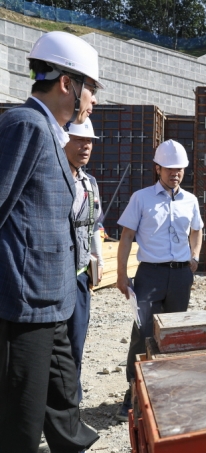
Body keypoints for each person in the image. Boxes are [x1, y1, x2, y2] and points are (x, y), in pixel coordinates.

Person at [0, 31, 102, 452]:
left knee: (65, 407)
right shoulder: (26, 126)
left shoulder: (48, 131)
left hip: (56, 304)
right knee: (20, 423)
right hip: (25, 309)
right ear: (66, 84)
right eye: (90, 89)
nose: (92, 101)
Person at [115, 139, 203, 421]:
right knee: (142, 334)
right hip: (149, 275)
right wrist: (120, 274)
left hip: (179, 275)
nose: (174, 173)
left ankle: (165, 392)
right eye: (169, 168)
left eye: (179, 169)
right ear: (157, 168)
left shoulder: (190, 200)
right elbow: (127, 236)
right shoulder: (141, 198)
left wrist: (195, 256)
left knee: (173, 334)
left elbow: (197, 230)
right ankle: (132, 396)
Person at [64, 118, 104, 403]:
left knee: (75, 345)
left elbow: (92, 227)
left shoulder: (89, 184)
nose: (85, 146)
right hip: (49, 278)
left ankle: (70, 408)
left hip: (78, 276)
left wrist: (98, 261)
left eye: (88, 141)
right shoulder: (50, 176)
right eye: (79, 140)